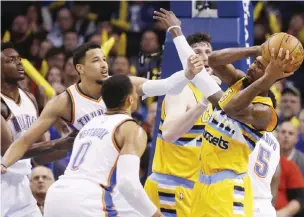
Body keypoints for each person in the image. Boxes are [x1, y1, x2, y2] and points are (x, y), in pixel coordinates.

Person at [153, 8, 296, 217]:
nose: (251, 66)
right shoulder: (239, 82)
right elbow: (213, 60)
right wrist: (257, 50)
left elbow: (229, 107)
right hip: (201, 184)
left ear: (270, 76)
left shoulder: (264, 112)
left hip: (228, 189)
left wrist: (269, 78)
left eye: (257, 66)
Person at [1, 42, 201, 175]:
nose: (104, 65)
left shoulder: (122, 83)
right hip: (89, 171)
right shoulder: (65, 101)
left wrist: (188, 72)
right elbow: (26, 140)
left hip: (120, 166)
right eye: (96, 61)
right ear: (80, 69)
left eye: (104, 59)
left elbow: (164, 86)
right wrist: (4, 163)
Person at [44, 75, 163, 217]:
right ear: (130, 99)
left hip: (56, 197)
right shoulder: (131, 129)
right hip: (88, 201)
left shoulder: (89, 124)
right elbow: (127, 184)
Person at [144, 32, 215, 217]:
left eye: (208, 51)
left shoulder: (210, 94)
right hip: (171, 186)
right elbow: (168, 133)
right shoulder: (181, 90)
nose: (205, 56)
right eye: (197, 51)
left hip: (192, 186)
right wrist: (203, 104)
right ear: (187, 58)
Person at [1, 42, 75, 217]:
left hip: (22, 184)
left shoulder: (30, 98)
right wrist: (59, 144)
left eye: (20, 59)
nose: (19, 63)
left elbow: (41, 155)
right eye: (11, 60)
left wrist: (71, 144)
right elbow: (8, 151)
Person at [277, 122, 304, 217]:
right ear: (277, 135)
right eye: (283, 132)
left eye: (290, 133)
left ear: (296, 139)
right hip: (272, 201)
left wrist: (290, 207)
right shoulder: (268, 157)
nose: (286, 136)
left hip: (297, 202)